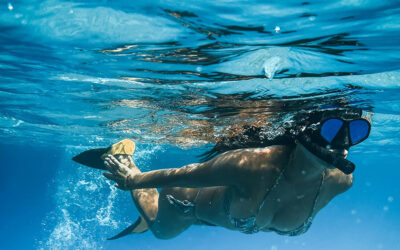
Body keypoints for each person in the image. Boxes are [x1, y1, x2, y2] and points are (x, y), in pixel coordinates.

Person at [73, 107, 371, 240]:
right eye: (332, 130)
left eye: (356, 132)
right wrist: (133, 180)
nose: (343, 145)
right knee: (161, 232)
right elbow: (185, 174)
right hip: (186, 203)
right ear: (306, 133)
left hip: (219, 215)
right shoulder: (254, 165)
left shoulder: (341, 181)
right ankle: (124, 157)